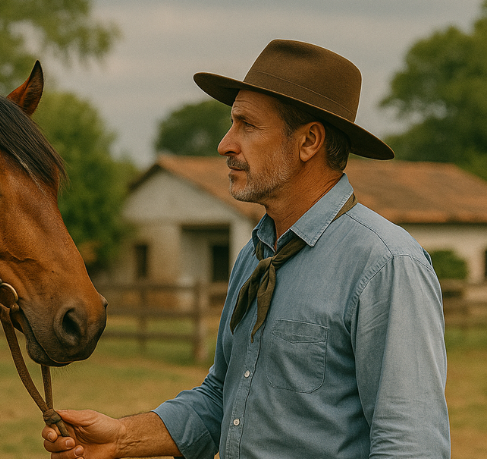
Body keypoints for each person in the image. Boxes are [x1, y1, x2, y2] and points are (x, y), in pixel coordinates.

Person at [42, 39, 450, 458]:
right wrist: (122, 438)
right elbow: (223, 398)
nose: (225, 144)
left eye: (247, 125)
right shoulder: (256, 256)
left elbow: (410, 442)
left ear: (308, 141)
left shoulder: (386, 264)